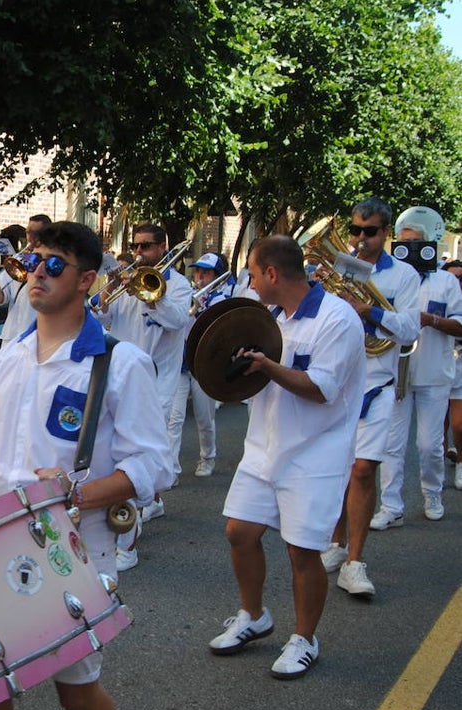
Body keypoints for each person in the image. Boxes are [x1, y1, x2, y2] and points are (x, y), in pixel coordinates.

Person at [0, 220, 172, 710]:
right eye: (31, 261)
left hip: (77, 545)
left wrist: (78, 491)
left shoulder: (119, 363)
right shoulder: (9, 357)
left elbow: (154, 466)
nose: (36, 273)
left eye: (53, 264)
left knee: (74, 691)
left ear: (87, 280)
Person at [208, 235, 365, 679]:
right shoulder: (268, 317)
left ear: (273, 274)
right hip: (264, 446)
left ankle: (304, 639)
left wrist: (266, 366)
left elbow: (320, 389)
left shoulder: (337, 319)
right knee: (239, 532)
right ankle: (254, 616)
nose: (252, 283)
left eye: (255, 275)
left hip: (316, 452)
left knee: (302, 552)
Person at [321, 197, 419, 597]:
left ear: (386, 233)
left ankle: (354, 562)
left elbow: (410, 330)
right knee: (336, 469)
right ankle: (335, 543)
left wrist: (370, 312)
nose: (361, 239)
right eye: (356, 230)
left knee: (363, 470)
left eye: (371, 231)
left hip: (377, 383)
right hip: (338, 382)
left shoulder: (406, 275)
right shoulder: (339, 267)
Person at [93, 222, 191, 569]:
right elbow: (99, 316)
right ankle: (151, 503)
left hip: (156, 385)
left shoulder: (177, 286)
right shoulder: (124, 284)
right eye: (135, 247)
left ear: (163, 248)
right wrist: (108, 292)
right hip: (115, 379)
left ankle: (126, 545)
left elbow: (177, 320)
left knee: (136, 460)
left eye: (146, 247)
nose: (138, 254)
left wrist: (151, 294)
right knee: (112, 455)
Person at [371, 207, 462, 528]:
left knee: (429, 444)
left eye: (415, 244)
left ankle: (432, 493)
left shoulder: (446, 282)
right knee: (391, 445)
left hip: (434, 374)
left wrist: (431, 320)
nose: (408, 250)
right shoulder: (390, 277)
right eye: (403, 244)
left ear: (427, 247)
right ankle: (391, 506)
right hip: (396, 373)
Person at [167, 253, 231, 485]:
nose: (200, 276)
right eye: (198, 271)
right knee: (174, 419)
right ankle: (171, 468)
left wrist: (202, 305)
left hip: (204, 364)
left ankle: (208, 457)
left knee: (204, 417)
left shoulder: (222, 298)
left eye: (206, 272)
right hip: (182, 362)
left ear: (217, 276)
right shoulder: (189, 293)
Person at [0, 213, 52, 344]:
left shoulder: (52, 262)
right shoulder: (18, 259)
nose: (30, 237)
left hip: (38, 333)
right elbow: (3, 295)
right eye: (28, 232)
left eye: (35, 232)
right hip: (12, 332)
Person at [442, 260, 462, 485]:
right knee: (439, 427)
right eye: (452, 277)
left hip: (460, 367)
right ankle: (435, 475)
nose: (456, 282)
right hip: (439, 364)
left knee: (459, 424)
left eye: (460, 278)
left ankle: (460, 464)